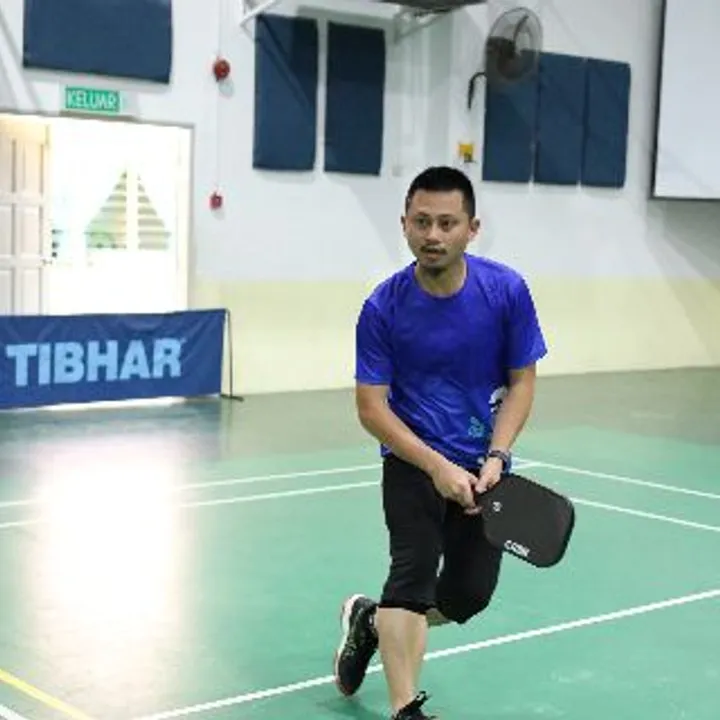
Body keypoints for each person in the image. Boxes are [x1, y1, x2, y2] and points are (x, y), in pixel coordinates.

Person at [331, 166, 548, 720]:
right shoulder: (383, 307)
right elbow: (371, 407)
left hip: (483, 467)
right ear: (404, 224)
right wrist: (433, 466)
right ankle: (405, 707)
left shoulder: (506, 292)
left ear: (472, 229)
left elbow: (522, 382)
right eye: (421, 221)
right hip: (412, 458)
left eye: (447, 223)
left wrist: (497, 455)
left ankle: (370, 621)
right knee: (412, 576)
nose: (433, 234)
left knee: (466, 597)